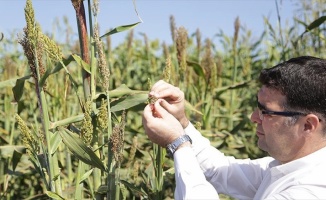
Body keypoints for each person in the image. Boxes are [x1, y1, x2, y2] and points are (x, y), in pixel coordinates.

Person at [142, 56, 326, 199]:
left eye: (266, 112)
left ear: (308, 125)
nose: (254, 117)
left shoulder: (311, 191)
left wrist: (178, 144)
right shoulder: (283, 166)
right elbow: (219, 170)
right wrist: (182, 122)